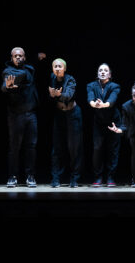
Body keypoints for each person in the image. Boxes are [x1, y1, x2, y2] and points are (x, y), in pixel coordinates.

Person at [2, 47, 40, 188]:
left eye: (20, 56)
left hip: (31, 113)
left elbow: (29, 71)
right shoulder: (8, 71)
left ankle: (30, 176)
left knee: (31, 146)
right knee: (14, 147)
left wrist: (38, 57)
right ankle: (12, 176)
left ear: (24, 57)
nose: (18, 58)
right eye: (15, 56)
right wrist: (7, 87)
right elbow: (4, 85)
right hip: (15, 115)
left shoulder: (29, 69)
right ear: (11, 58)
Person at [48, 58, 83, 188]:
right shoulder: (51, 78)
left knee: (74, 148)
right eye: (55, 66)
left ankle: (75, 178)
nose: (57, 68)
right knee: (57, 148)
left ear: (65, 68)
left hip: (73, 114)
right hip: (59, 115)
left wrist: (57, 95)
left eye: (60, 66)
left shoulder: (70, 79)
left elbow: (68, 95)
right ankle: (56, 178)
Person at [87, 63, 121, 187]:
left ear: (109, 74)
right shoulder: (91, 85)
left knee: (112, 150)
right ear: (97, 73)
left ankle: (111, 177)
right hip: (99, 122)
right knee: (97, 149)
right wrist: (94, 104)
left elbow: (112, 99)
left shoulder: (115, 86)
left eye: (105, 70)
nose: (102, 72)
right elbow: (90, 98)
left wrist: (103, 104)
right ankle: (98, 177)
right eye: (100, 70)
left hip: (113, 121)